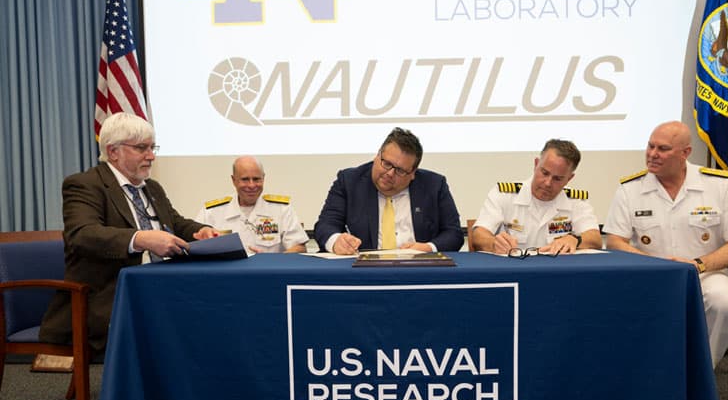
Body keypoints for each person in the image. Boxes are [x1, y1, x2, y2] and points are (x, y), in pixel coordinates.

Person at [39, 112, 216, 352]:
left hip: (161, 285)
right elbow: (82, 235)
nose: (151, 156)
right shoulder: (85, 184)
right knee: (183, 321)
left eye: (153, 148)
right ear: (113, 152)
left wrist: (200, 230)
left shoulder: (151, 187)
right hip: (111, 297)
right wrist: (141, 239)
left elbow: (175, 222)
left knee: (213, 306)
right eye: (142, 148)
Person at [604, 120, 728, 367]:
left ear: (685, 153)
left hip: (705, 275)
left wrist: (698, 265)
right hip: (649, 276)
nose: (652, 154)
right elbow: (614, 241)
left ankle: (701, 371)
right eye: (650, 146)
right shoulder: (630, 189)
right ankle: (645, 372)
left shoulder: (718, 184)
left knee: (724, 302)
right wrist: (656, 265)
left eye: (662, 149)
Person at [313, 127, 463, 254]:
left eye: (400, 170)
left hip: (418, 269)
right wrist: (336, 241)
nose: (390, 173)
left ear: (412, 173)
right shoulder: (349, 181)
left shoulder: (434, 185)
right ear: (377, 156)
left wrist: (428, 248)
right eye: (386, 163)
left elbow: (454, 234)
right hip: (363, 272)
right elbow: (325, 225)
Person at [472, 138, 602, 255]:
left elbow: (595, 238)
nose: (548, 183)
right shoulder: (504, 194)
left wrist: (575, 239)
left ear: (569, 178)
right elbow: (479, 235)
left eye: (557, 178)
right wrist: (493, 242)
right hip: (513, 270)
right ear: (536, 164)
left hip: (558, 272)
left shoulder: (575, 200)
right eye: (544, 173)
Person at [195, 156, 308, 255]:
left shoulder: (282, 209)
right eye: (245, 179)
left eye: (256, 179)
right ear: (234, 180)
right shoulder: (211, 212)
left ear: (263, 178)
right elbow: (196, 248)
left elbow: (299, 247)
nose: (251, 185)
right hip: (226, 276)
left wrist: (272, 260)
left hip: (268, 274)